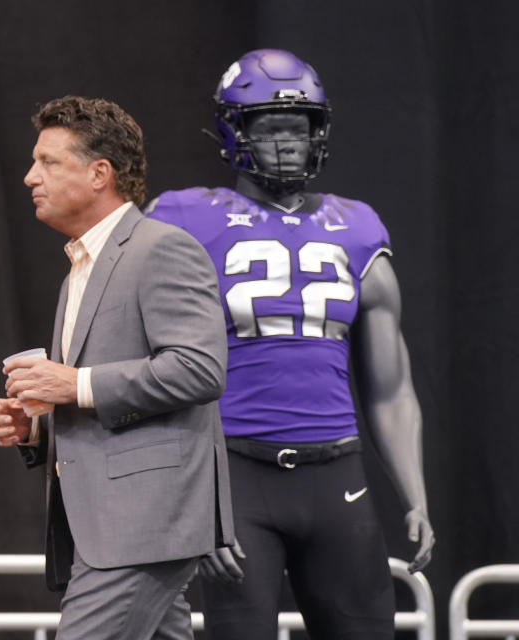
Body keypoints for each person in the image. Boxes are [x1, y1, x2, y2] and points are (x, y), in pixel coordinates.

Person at [146, 48, 436, 638]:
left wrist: (416, 494)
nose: (286, 143)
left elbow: (391, 387)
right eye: (269, 127)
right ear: (234, 129)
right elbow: (150, 367)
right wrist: (188, 499)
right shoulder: (182, 217)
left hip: (337, 474)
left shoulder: (357, 228)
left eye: (298, 128)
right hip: (234, 473)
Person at [0, 95, 238, 640]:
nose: (31, 176)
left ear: (100, 173)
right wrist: (37, 426)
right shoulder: (79, 267)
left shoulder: (162, 248)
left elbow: (200, 368)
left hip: (143, 526)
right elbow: (101, 405)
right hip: (110, 526)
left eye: (48, 162)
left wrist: (74, 383)